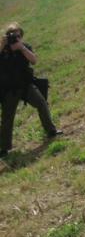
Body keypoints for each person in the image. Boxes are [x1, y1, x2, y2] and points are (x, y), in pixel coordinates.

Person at [0, 23, 62, 157]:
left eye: (18, 36)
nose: (15, 38)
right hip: (9, 89)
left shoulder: (25, 47)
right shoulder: (3, 49)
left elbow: (34, 60)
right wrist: (2, 46)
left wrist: (21, 48)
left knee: (41, 103)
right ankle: (4, 148)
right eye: (12, 36)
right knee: (7, 117)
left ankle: (51, 130)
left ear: (21, 36)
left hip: (25, 85)